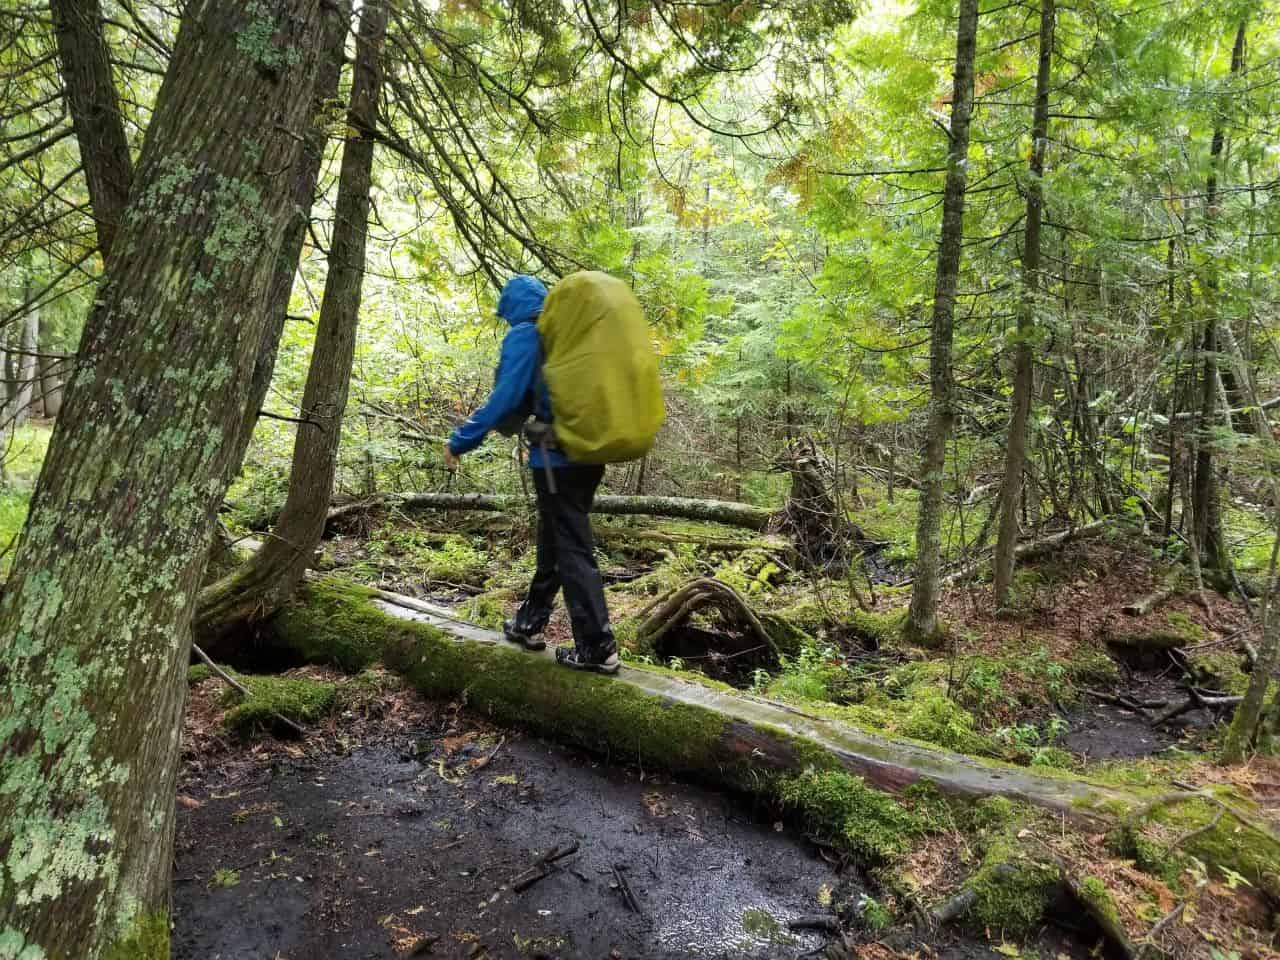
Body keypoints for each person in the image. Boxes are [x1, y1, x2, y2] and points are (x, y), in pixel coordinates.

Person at [444, 274, 620, 675]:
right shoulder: (568, 336)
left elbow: (506, 396)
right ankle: (530, 623)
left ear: (513, 308)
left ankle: (597, 645)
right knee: (556, 540)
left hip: (557, 460)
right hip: (589, 452)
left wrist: (461, 440)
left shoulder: (528, 334)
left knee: (571, 546)